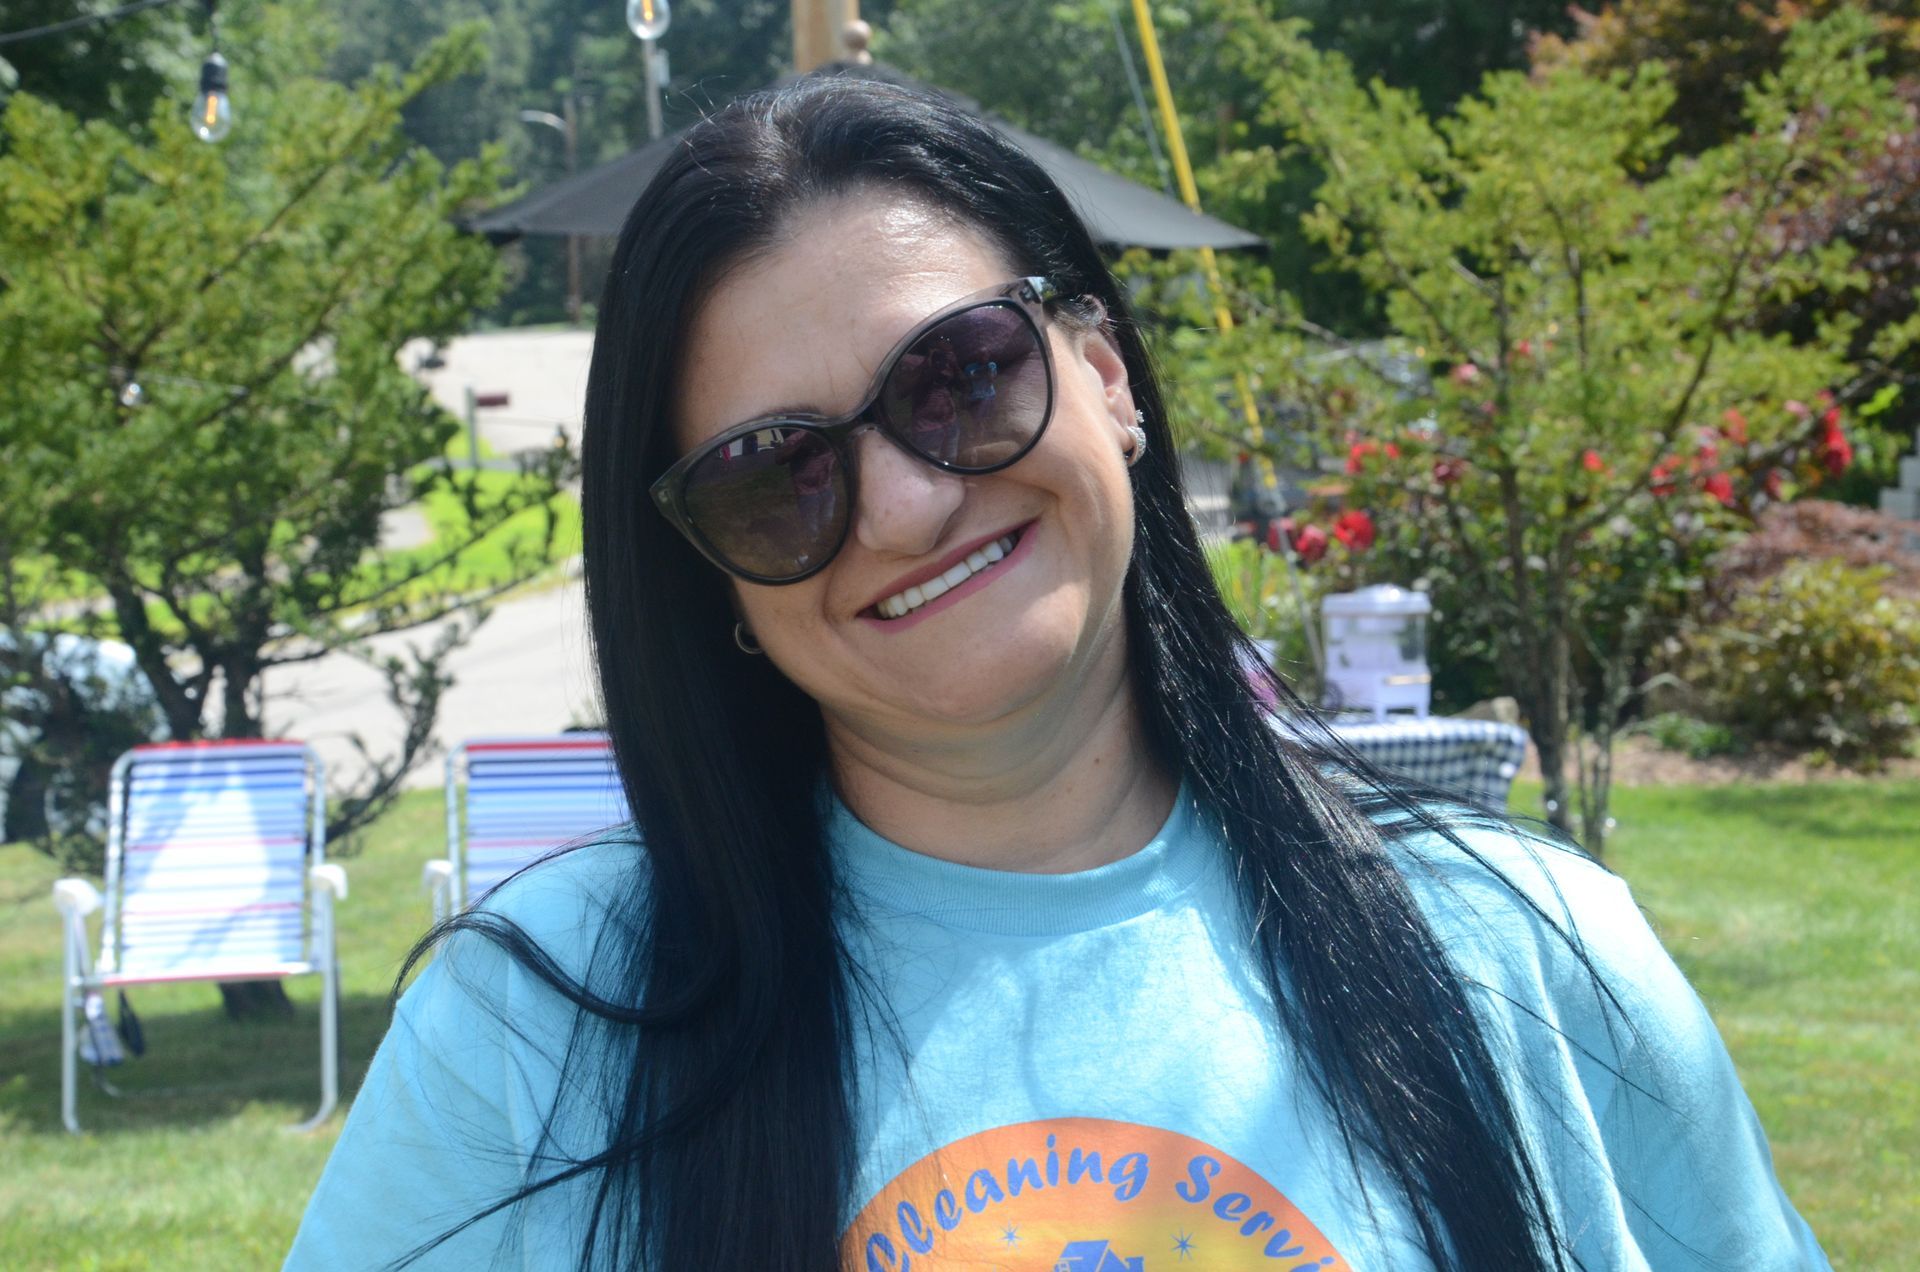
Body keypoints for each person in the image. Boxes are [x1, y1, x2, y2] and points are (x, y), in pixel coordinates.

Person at [286, 75, 1826, 1271]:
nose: (905, 506)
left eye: (960, 376)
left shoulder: (1527, 957)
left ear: (1103, 374)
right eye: (776, 475)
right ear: (716, 578)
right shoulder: (534, 1031)